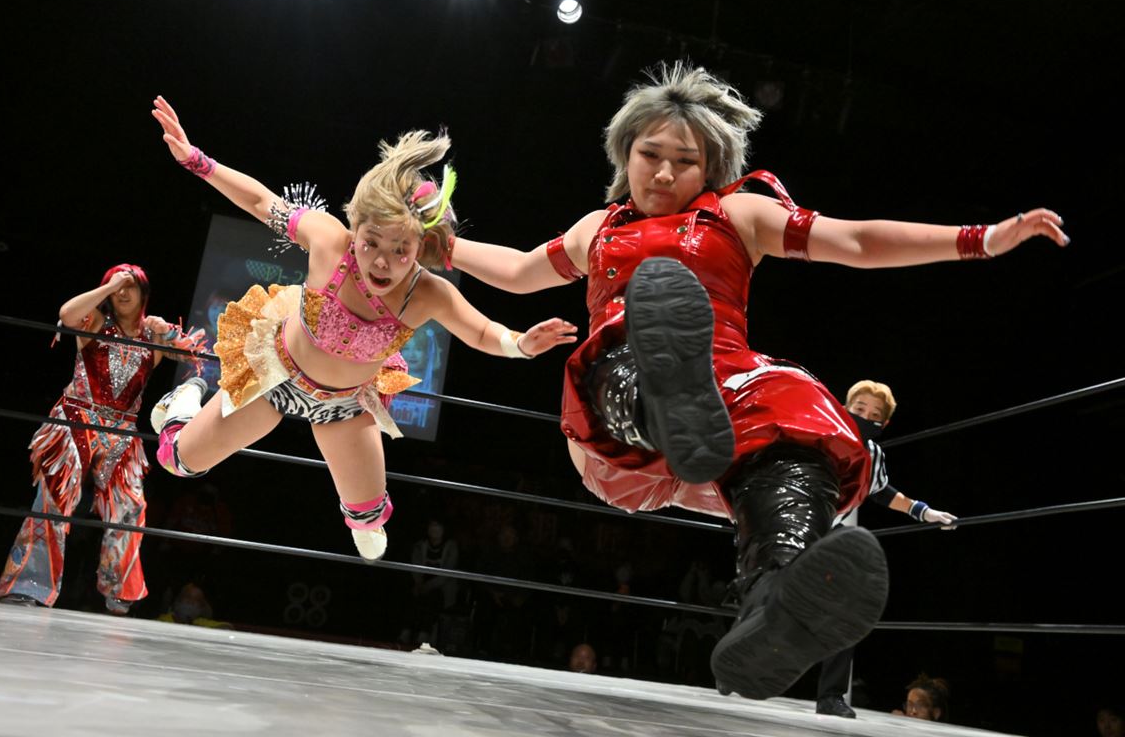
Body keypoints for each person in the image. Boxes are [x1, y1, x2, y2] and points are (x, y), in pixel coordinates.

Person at [448, 62, 1068, 698]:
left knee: (796, 409)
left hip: (725, 411)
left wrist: (981, 239)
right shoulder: (597, 228)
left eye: (684, 162)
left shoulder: (738, 213)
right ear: (624, 153)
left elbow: (855, 241)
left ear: (710, 167)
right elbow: (519, 272)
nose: (663, 173)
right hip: (617, 432)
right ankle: (669, 401)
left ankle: (776, 599)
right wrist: (437, 246)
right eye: (650, 155)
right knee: (629, 349)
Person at [148, 96, 576, 562]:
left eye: (400, 250)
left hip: (346, 405)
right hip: (276, 375)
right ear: (357, 228)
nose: (382, 262)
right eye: (371, 243)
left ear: (421, 247)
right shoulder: (329, 239)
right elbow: (260, 201)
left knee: (371, 531)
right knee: (176, 461)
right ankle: (181, 403)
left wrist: (519, 344)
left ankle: (363, 516)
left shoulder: (427, 292)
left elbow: (480, 331)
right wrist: (196, 160)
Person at [0, 264, 206, 614]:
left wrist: (165, 330)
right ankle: (28, 585)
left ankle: (119, 590)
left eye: (129, 286)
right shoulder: (93, 321)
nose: (122, 292)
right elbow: (67, 314)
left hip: (121, 431)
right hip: (76, 419)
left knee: (129, 506)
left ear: (143, 293)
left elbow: (193, 354)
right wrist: (107, 288)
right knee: (53, 501)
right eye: (115, 286)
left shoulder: (152, 337)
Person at [816, 379, 958, 718]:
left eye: (874, 415)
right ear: (845, 408)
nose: (865, 417)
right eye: (859, 409)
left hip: (834, 541)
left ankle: (831, 696)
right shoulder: (819, 433)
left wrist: (924, 512)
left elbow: (881, 491)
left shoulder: (873, 454)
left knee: (849, 610)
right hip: (796, 529)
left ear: (884, 424)